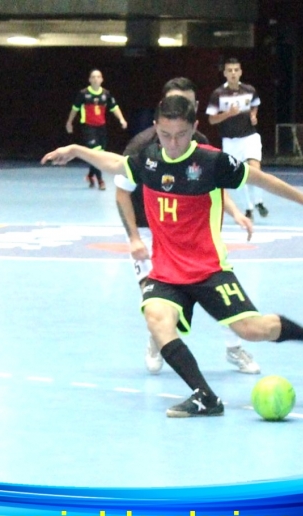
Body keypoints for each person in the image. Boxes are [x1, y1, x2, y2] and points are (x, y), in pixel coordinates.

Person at [42, 95, 303, 418]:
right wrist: (77, 150)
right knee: (156, 318)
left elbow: (259, 178)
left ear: (194, 128)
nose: (174, 143)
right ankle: (205, 396)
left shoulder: (212, 163)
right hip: (166, 271)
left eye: (181, 135)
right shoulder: (148, 160)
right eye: (166, 135)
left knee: (252, 330)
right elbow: (115, 165)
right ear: (156, 128)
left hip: (208, 268)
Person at [113, 77, 260, 375]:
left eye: (192, 103)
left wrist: (234, 212)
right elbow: (121, 192)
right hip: (148, 228)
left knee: (218, 291)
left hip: (187, 232)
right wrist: (133, 238)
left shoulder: (200, 142)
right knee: (152, 294)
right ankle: (158, 338)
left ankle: (234, 349)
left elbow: (214, 183)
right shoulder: (141, 146)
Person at [206, 57, 267, 221]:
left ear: (240, 72)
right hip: (230, 140)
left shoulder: (249, 89)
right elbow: (211, 119)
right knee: (240, 173)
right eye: (230, 71)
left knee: (255, 168)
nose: (233, 73)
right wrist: (228, 114)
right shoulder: (218, 94)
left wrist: (253, 115)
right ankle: (249, 207)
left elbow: (255, 105)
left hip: (250, 137)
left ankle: (259, 201)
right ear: (225, 73)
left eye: (236, 70)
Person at [65, 68, 127, 191]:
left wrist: (121, 119)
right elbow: (75, 109)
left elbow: (114, 107)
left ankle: (90, 175)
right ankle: (100, 181)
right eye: (93, 77)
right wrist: (69, 122)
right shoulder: (83, 94)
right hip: (88, 128)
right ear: (89, 80)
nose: (95, 79)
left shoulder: (106, 94)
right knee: (97, 154)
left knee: (99, 155)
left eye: (98, 77)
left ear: (102, 79)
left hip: (101, 128)